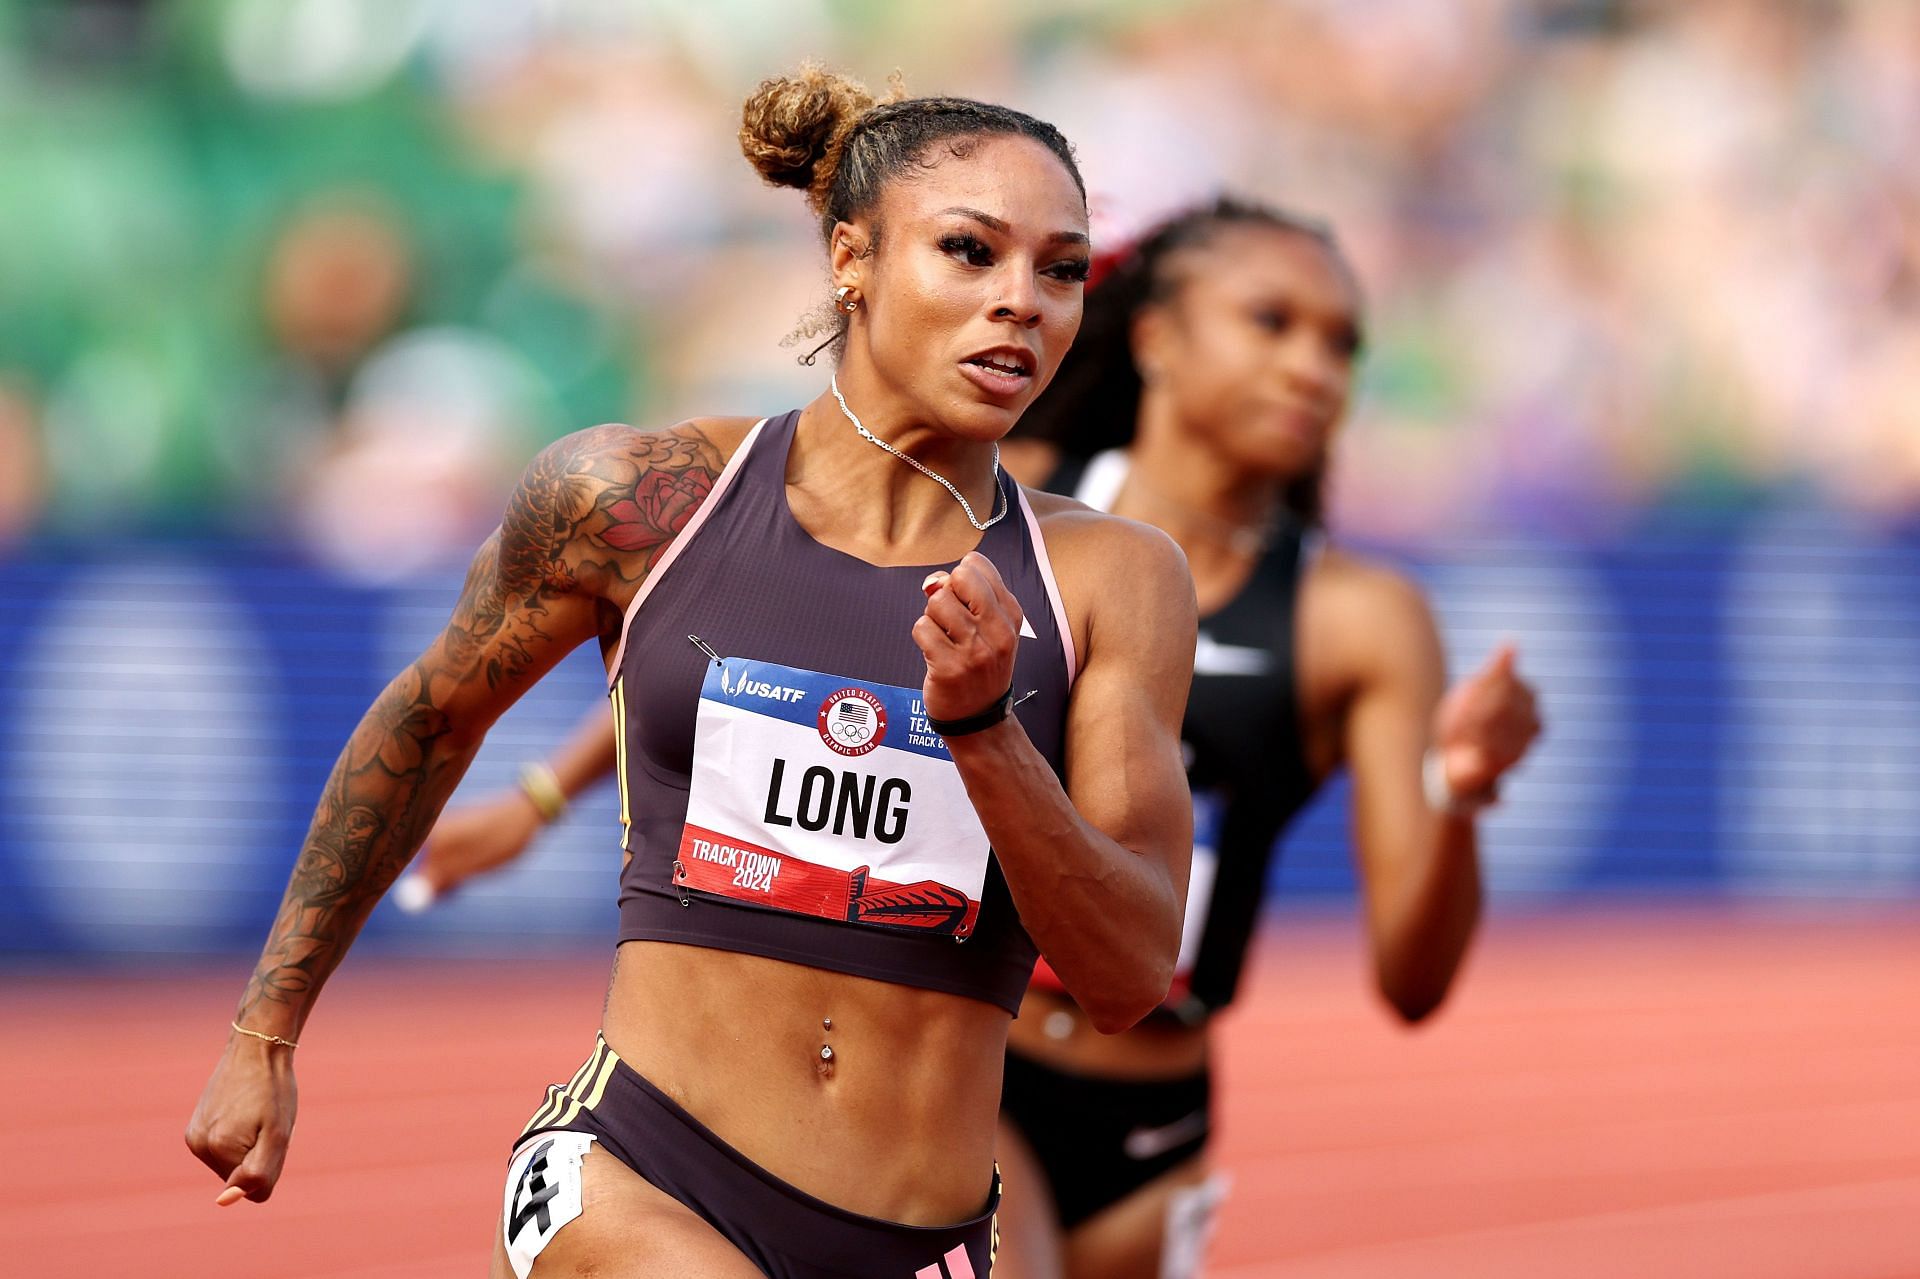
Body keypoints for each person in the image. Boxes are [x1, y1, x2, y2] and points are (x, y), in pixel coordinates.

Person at [185, 64, 1201, 1279]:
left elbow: (1130, 972)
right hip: (638, 1171)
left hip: (925, 1236)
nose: (1020, 302)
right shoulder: (643, 500)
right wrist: (267, 1027)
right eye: (970, 252)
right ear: (852, 259)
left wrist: (984, 733)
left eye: (1062, 269)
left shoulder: (1113, 579)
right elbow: (427, 720)